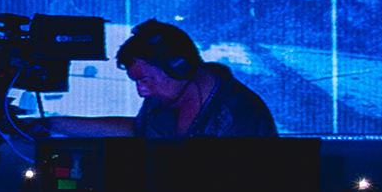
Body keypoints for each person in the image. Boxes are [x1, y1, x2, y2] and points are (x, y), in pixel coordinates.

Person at [118, 19, 279, 140]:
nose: (142, 92)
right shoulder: (164, 96)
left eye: (144, 80)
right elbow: (141, 131)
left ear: (177, 66)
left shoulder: (239, 115)